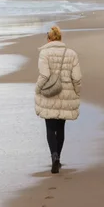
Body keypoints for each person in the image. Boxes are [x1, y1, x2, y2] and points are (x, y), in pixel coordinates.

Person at [35, 26, 82, 174]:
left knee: (50, 127)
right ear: (60, 38)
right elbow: (77, 77)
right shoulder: (71, 54)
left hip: (50, 92)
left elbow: (44, 75)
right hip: (66, 93)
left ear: (49, 39)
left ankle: (53, 156)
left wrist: (37, 89)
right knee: (60, 127)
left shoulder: (44, 53)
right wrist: (77, 91)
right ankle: (58, 158)